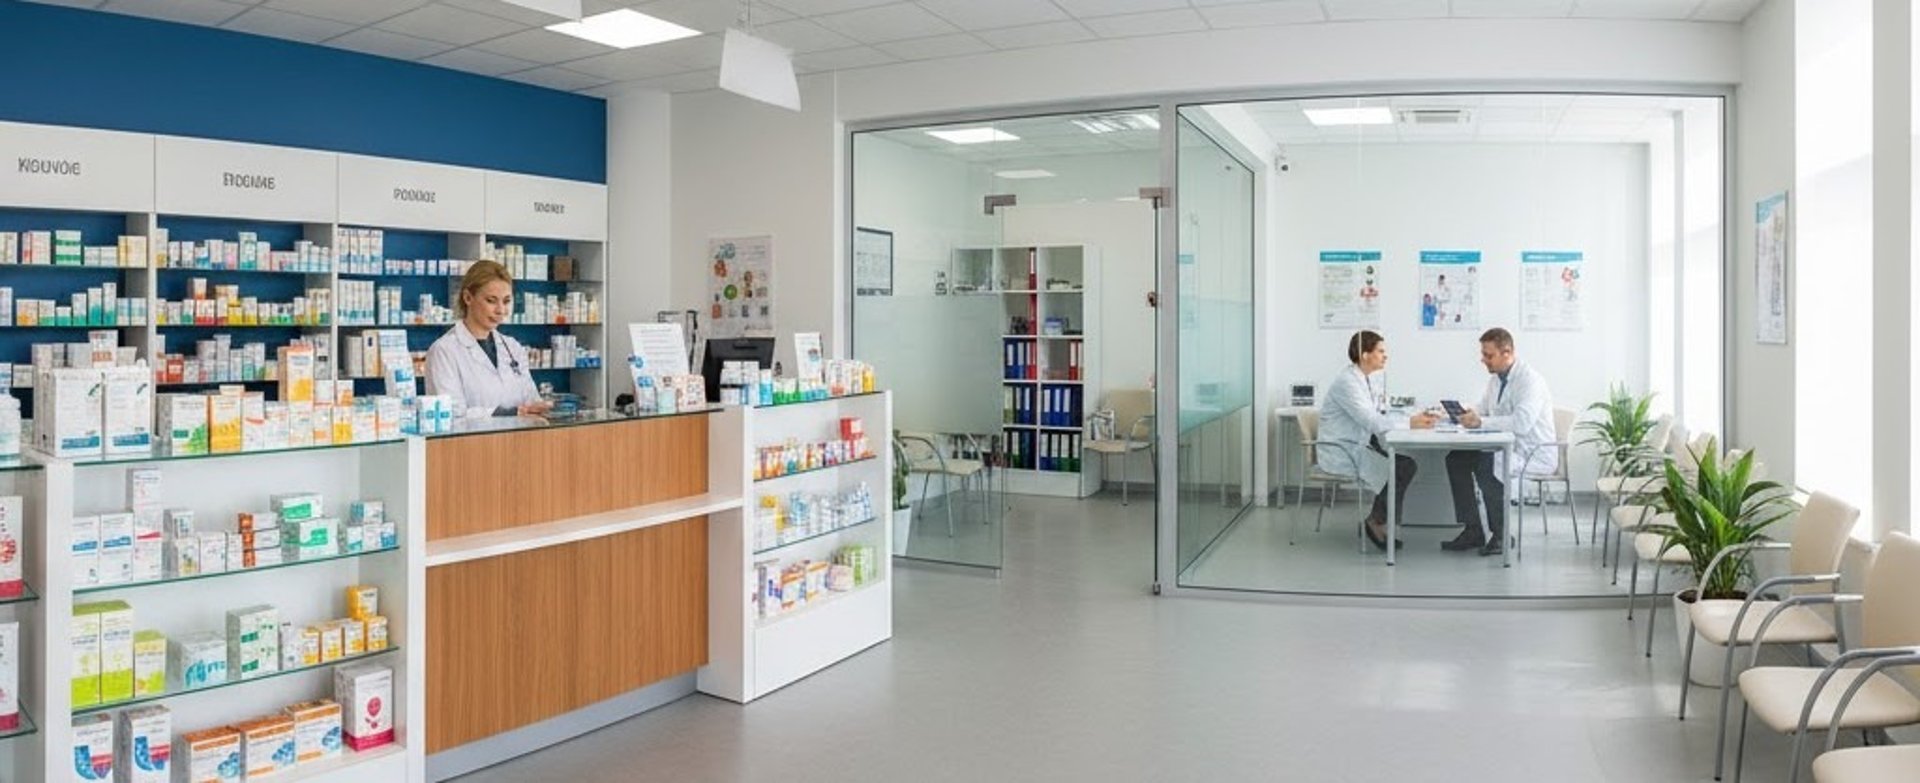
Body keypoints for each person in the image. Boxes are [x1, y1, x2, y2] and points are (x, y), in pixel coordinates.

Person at [1441, 328, 1556, 556]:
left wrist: (1480, 422)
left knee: (1488, 463)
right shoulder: (1496, 380)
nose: (1483, 360)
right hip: (1504, 447)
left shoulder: (1529, 381)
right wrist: (1455, 415)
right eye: (1483, 354)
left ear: (1507, 352)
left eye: (1488, 355)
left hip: (1533, 453)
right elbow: (1484, 409)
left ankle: (1502, 535)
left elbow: (1522, 423)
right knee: (1457, 458)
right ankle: (1473, 530)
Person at [1319, 330, 1437, 550]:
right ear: (1365, 355)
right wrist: (1410, 422)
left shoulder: (1362, 379)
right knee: (1402, 467)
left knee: (1404, 464)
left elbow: (1378, 415)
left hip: (1359, 444)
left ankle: (1380, 520)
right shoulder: (1347, 382)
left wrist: (1409, 418)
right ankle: (1377, 522)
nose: (1385, 356)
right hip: (1342, 450)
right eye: (1381, 351)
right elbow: (1371, 420)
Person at [426, 260, 554, 420]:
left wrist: (541, 407)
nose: (501, 310)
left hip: (518, 440)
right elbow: (450, 414)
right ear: (468, 297)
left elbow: (530, 399)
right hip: (469, 443)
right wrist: (508, 413)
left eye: (506, 301)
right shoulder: (444, 351)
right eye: (491, 301)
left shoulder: (513, 347)